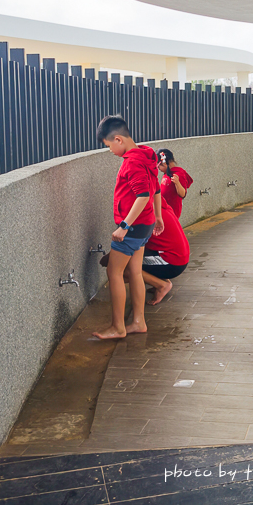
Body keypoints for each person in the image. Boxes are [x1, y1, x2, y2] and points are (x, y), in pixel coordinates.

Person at [93, 115, 164, 340]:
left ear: (118, 139)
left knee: (114, 272)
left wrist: (124, 226)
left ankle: (118, 327)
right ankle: (138, 322)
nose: (110, 151)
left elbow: (143, 195)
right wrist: (158, 216)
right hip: (145, 224)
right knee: (135, 271)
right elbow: (155, 189)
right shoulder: (147, 154)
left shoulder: (132, 162)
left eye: (109, 146)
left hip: (132, 228)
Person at [141, 196, 190, 305]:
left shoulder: (148, 213)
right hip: (179, 258)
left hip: (172, 263)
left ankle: (162, 285)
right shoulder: (162, 207)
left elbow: (132, 244)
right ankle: (161, 281)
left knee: (127, 265)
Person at [156, 148, 193, 217]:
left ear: (165, 162)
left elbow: (183, 194)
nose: (158, 168)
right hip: (163, 209)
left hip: (172, 211)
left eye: (159, 166)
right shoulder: (167, 173)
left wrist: (177, 183)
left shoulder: (178, 174)